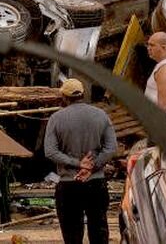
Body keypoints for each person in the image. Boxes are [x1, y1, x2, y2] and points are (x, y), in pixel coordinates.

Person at [43, 79, 117, 244]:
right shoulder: (101, 115)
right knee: (98, 231)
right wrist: (92, 166)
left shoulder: (56, 118)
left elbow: (50, 151)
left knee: (72, 235)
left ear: (64, 96)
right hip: (96, 183)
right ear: (83, 94)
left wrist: (78, 164)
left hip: (69, 185)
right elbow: (111, 148)